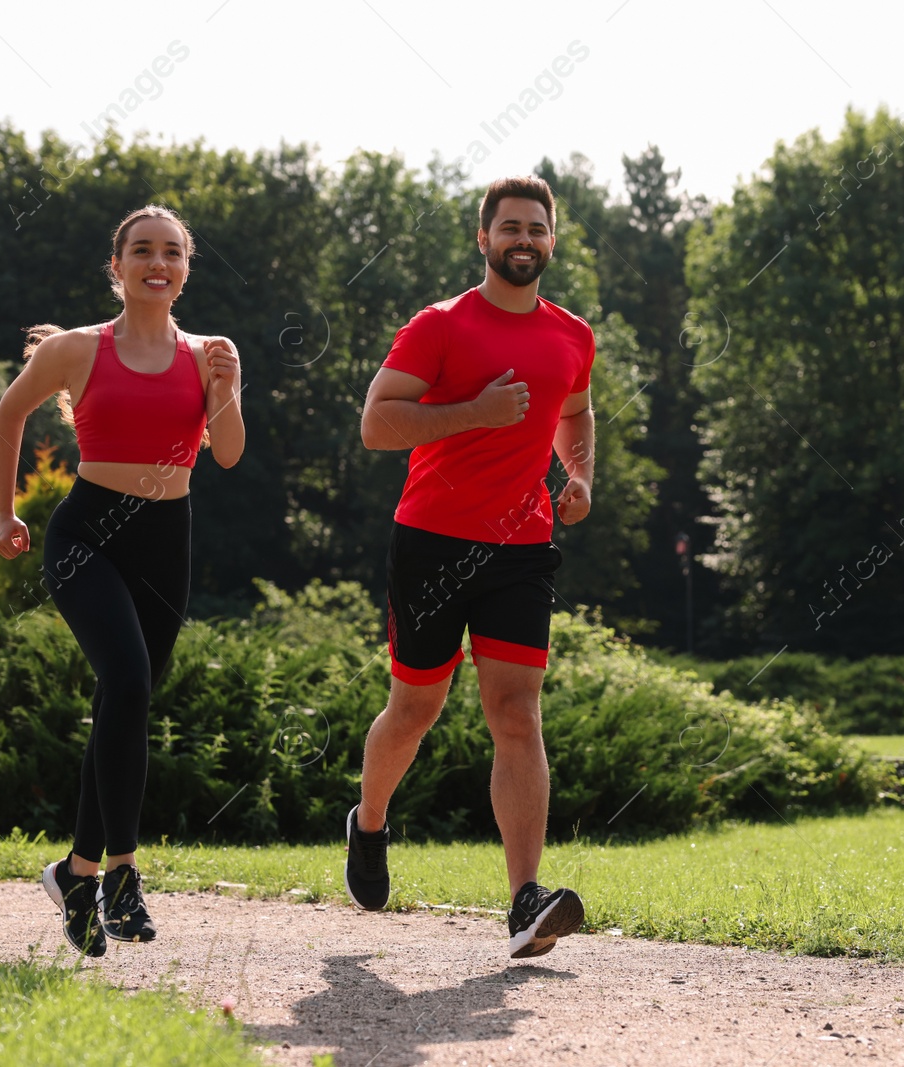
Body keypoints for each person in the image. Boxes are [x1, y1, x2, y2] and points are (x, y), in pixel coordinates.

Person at [0, 204, 245, 957]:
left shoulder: (211, 353)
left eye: (171, 252)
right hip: (87, 535)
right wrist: (3, 514)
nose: (156, 262)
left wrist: (226, 388)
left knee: (123, 701)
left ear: (186, 269)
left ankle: (75, 872)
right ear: (117, 266)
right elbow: (9, 415)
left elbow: (226, 453)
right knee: (128, 680)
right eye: (141, 251)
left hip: (168, 539)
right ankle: (123, 875)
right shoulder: (75, 350)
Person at [350, 175, 595, 959]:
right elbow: (377, 424)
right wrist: (473, 414)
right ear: (483, 238)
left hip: (522, 546)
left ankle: (526, 898)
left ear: (552, 240)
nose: (524, 239)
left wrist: (580, 474)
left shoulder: (572, 334)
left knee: (517, 713)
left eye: (537, 228)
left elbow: (575, 409)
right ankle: (370, 820)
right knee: (415, 710)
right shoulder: (440, 325)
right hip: (432, 540)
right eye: (509, 227)